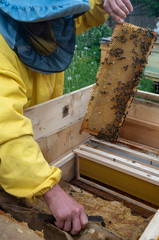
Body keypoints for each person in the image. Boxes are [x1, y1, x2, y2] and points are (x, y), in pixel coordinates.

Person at [0, 0, 133, 236]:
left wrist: (103, 3)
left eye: (57, 17)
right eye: (42, 21)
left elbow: (74, 16)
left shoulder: (53, 21)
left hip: (32, 142)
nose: (51, 27)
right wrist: (51, 192)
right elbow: (6, 133)